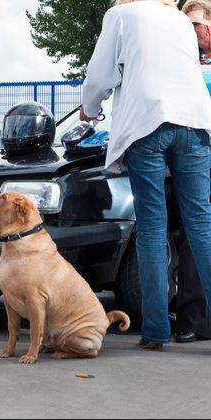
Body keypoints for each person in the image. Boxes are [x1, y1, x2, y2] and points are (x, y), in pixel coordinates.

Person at [80, 0, 211, 351]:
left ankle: (155, 332)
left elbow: (101, 75)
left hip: (148, 124)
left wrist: (89, 109)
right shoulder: (180, 21)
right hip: (195, 122)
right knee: (202, 225)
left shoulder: (120, 15)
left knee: (152, 226)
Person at [172, 0, 211, 343]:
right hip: (195, 158)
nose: (190, 34)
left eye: (194, 26)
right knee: (194, 236)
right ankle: (191, 319)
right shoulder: (180, 62)